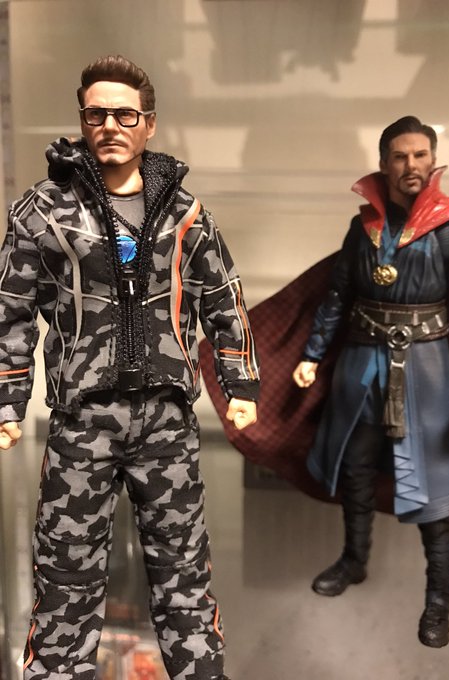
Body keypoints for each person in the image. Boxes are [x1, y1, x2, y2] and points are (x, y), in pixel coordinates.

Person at [0, 55, 259, 680]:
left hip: (166, 422)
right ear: (82, 120)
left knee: (184, 573)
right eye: (97, 114)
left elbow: (224, 297)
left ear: (149, 124)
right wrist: (8, 399)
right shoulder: (43, 210)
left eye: (125, 114)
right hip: (81, 422)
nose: (110, 126)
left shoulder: (185, 213)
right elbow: (11, 310)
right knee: (65, 574)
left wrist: (240, 383)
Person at [292, 116, 449, 648]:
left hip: (428, 369)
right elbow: (337, 295)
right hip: (361, 362)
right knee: (356, 467)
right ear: (384, 163)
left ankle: (440, 599)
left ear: (433, 159)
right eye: (400, 156)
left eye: (420, 155)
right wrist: (313, 354)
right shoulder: (363, 225)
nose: (411, 165)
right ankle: (354, 559)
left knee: (435, 484)